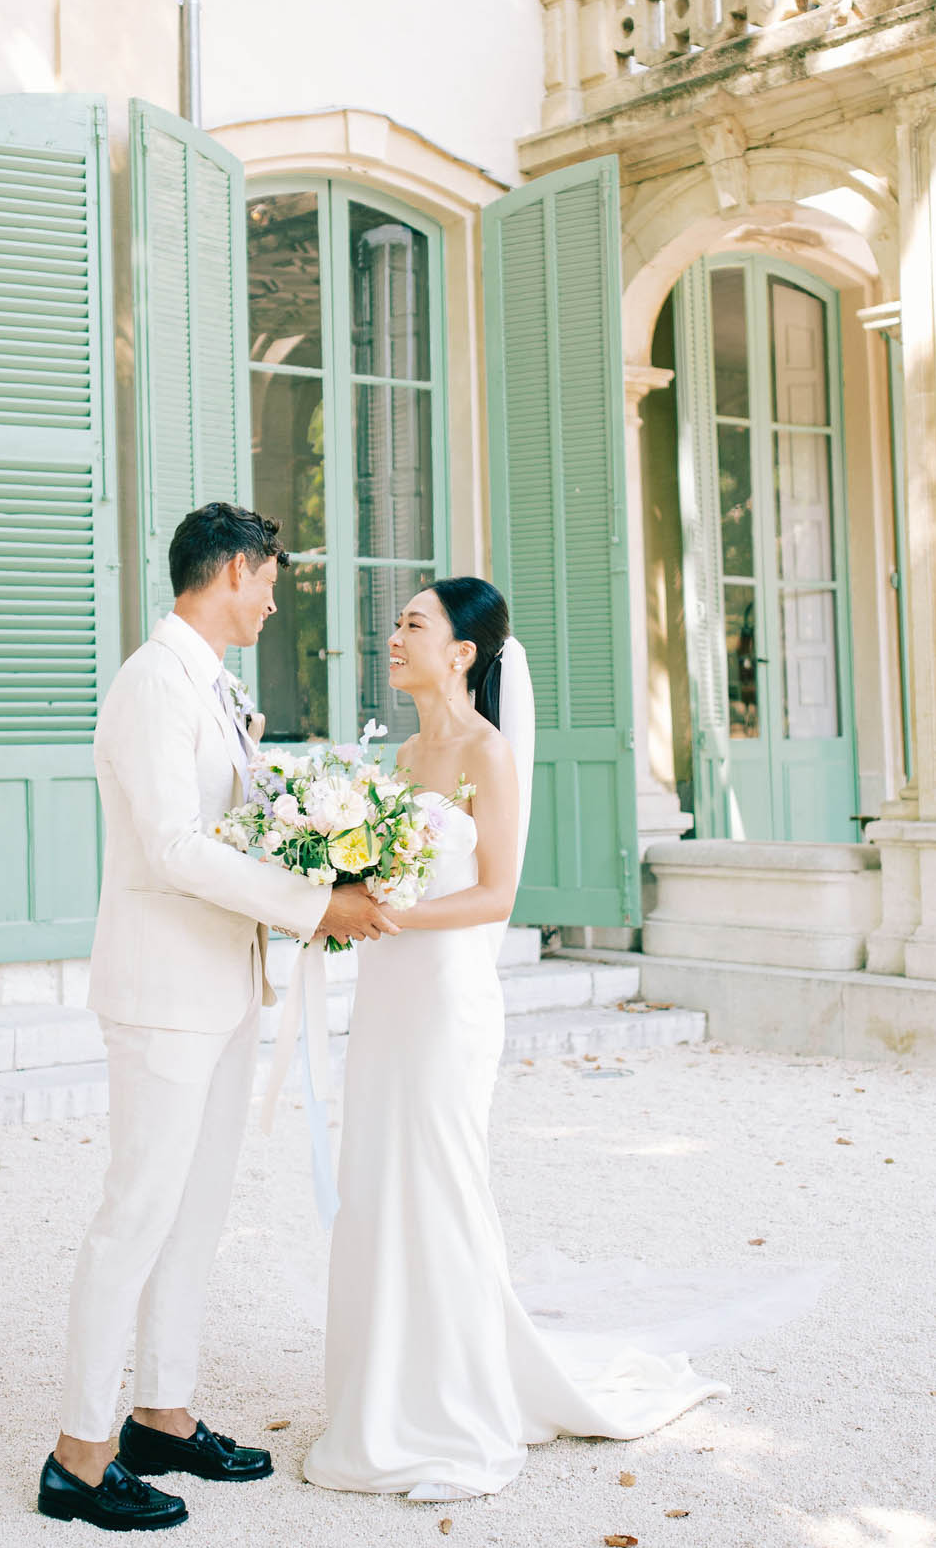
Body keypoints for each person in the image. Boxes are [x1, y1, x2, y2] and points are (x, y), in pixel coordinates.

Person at [304, 577, 824, 1501]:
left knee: (437, 1177)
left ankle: (448, 1400)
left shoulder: (483, 753)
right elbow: (370, 868)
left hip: (445, 996)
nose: (392, 637)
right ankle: (381, 1386)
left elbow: (497, 897)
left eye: (412, 624)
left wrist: (387, 914)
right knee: (376, 1176)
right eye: (395, 623)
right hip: (387, 997)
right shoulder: (392, 762)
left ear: (461, 652)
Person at [40, 502, 396, 1531]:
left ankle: (160, 1411)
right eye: (270, 577)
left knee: (195, 1213)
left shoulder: (213, 684)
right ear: (233, 569)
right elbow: (170, 847)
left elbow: (236, 823)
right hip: (162, 994)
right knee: (135, 1214)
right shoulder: (154, 682)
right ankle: (77, 1451)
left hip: (227, 983)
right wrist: (313, 902)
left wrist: (321, 855)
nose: (277, 596)